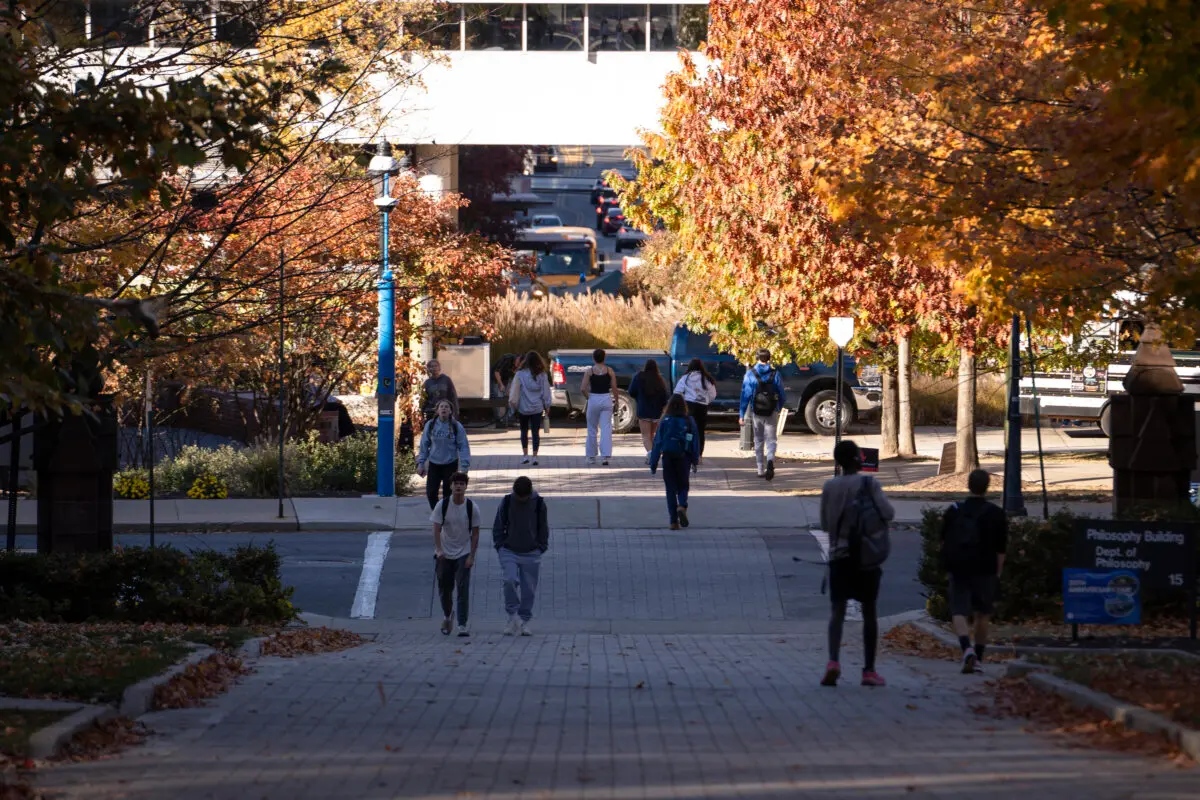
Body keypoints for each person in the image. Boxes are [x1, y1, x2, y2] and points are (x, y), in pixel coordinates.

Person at [819, 440, 895, 688]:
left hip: (839, 557)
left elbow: (825, 524)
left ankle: (833, 662)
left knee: (837, 612)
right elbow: (888, 512)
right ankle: (869, 670)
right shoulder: (868, 483)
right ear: (857, 459)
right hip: (866, 557)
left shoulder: (830, 487)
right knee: (870, 612)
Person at [941, 469, 1008, 673]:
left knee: (958, 611)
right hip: (986, 568)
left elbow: (943, 541)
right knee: (982, 614)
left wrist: (947, 564)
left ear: (968, 485)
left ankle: (965, 648)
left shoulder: (954, 510)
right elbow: (1001, 550)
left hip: (960, 566)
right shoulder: (996, 514)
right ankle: (978, 657)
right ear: (987, 487)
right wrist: (997, 573)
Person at [492, 475, 549, 636]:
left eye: (524, 497)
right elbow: (499, 524)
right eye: (519, 497)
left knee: (529, 589)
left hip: (531, 551)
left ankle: (523, 620)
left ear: (530, 493)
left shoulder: (538, 503)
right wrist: (500, 545)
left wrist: (541, 547)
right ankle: (512, 615)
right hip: (509, 550)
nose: (522, 500)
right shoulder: (507, 501)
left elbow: (543, 526)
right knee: (510, 580)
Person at [430, 472, 480, 637]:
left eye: (462, 484)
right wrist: (438, 550)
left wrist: (471, 556)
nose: (458, 486)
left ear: (466, 487)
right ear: (450, 486)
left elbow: (475, 533)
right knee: (445, 588)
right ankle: (447, 615)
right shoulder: (442, 505)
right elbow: (436, 528)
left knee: (462, 588)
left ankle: (463, 624)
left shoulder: (472, 507)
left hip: (463, 552)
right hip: (444, 552)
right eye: (455, 483)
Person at [649, 394, 699, 530]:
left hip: (668, 457)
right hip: (684, 458)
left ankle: (673, 522)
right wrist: (695, 460)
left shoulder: (665, 421)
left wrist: (653, 463)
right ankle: (682, 505)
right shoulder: (689, 421)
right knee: (683, 485)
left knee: (670, 489)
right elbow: (695, 441)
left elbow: (657, 443)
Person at [739, 349, 787, 480]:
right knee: (771, 440)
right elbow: (782, 395)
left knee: (758, 440)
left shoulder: (750, 374)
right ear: (769, 359)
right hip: (771, 411)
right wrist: (777, 408)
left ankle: (760, 469)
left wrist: (741, 414)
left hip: (757, 412)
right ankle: (770, 459)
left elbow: (745, 396)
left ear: (756, 358)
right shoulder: (775, 374)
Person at [417, 399, 471, 510]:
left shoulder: (456, 426)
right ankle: (438, 512)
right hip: (434, 464)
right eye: (441, 407)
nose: (444, 409)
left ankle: (445, 514)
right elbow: (424, 445)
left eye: (447, 407)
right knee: (431, 493)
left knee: (448, 494)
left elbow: (463, 446)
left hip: (450, 463)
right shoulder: (430, 425)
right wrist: (421, 463)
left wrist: (465, 466)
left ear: (451, 411)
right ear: (437, 410)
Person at [509, 351, 553, 465]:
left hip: (523, 408)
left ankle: (525, 455)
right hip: (537, 408)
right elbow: (546, 392)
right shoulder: (542, 375)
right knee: (535, 432)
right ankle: (535, 456)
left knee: (524, 431)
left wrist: (513, 406)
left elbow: (514, 391)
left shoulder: (520, 374)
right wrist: (547, 405)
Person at [673, 358, 717, 460]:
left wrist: (683, 401)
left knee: (688, 430)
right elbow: (713, 394)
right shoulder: (706, 378)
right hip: (702, 406)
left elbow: (677, 392)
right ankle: (699, 454)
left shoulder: (686, 378)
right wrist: (706, 401)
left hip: (689, 406)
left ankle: (688, 450)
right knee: (700, 430)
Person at [580, 348, 618, 466]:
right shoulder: (609, 370)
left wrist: (588, 397)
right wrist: (616, 400)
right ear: (604, 357)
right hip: (606, 398)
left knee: (592, 428)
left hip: (593, 399)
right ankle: (605, 457)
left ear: (593, 358)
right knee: (606, 428)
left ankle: (591, 456)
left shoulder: (589, 371)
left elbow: (583, 388)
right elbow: (614, 388)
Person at [629, 359, 669, 463]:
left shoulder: (638, 377)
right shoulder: (660, 379)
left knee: (646, 436)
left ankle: (651, 456)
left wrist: (639, 397)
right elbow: (665, 398)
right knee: (652, 435)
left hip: (643, 411)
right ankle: (651, 455)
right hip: (656, 412)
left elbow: (631, 391)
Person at [493, 353, 518, 427]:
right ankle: (500, 421)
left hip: (506, 380)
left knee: (510, 398)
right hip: (496, 379)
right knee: (500, 400)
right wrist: (500, 384)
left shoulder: (517, 364)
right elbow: (496, 372)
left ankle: (508, 419)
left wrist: (510, 387)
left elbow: (514, 375)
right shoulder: (506, 359)